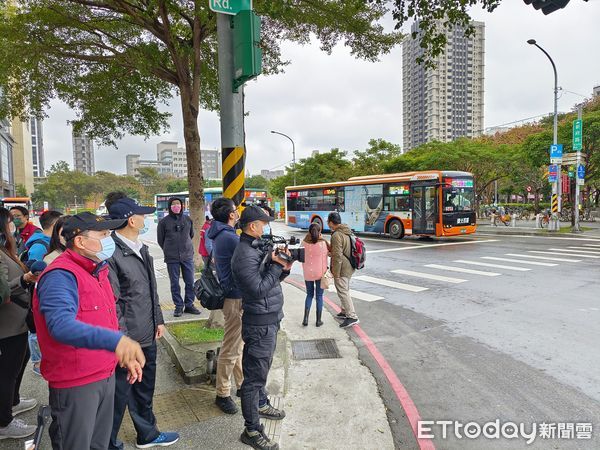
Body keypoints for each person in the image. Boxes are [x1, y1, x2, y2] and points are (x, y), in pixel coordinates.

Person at [33, 212, 147, 450]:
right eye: (103, 234)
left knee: (99, 444)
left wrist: (122, 354)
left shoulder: (98, 270)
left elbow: (106, 318)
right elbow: (60, 325)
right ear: (80, 241)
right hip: (76, 384)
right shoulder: (60, 275)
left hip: (104, 375)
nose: (109, 239)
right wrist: (117, 341)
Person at [106, 196, 179, 449]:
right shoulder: (112, 253)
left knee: (144, 388)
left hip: (147, 332)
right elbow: (113, 303)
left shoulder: (141, 247)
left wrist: (158, 319)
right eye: (142, 215)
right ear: (130, 219)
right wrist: (123, 339)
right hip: (129, 338)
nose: (146, 218)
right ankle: (106, 443)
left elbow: (151, 290)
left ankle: (147, 434)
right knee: (119, 394)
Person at [232, 205, 292, 450]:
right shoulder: (244, 254)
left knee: (261, 372)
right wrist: (276, 265)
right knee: (253, 379)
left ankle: (261, 403)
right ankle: (252, 430)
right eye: (264, 223)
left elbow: (270, 282)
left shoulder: (255, 248)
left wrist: (282, 268)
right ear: (253, 226)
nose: (266, 227)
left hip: (269, 317)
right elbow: (256, 289)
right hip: (259, 323)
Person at [0, 208, 39, 440]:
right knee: (7, 372)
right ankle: (4, 423)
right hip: (7, 325)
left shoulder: (6, 249)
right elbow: (4, 287)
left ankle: (11, 402)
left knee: (17, 365)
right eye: (8, 221)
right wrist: (23, 279)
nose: (12, 224)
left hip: (17, 320)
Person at [207, 198, 243, 415]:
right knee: (231, 348)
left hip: (232, 296)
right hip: (235, 298)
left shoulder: (219, 233)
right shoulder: (229, 237)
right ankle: (222, 393)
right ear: (231, 215)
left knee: (238, 345)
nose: (238, 213)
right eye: (236, 210)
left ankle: (242, 384)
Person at [22, 210, 62, 376]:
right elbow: (34, 274)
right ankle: (38, 362)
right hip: (36, 297)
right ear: (54, 226)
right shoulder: (40, 246)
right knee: (36, 331)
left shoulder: (48, 243)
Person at [157, 197, 199, 317]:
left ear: (182, 206)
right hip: (172, 257)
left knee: (190, 281)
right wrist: (169, 249)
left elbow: (191, 235)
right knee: (174, 283)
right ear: (170, 206)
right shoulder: (163, 222)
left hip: (187, 256)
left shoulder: (187, 220)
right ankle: (178, 306)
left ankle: (189, 305)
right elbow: (161, 240)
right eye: (174, 204)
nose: (176, 206)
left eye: (178, 204)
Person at [327, 212, 359, 328]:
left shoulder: (336, 235)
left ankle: (352, 316)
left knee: (343, 291)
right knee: (345, 289)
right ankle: (345, 311)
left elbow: (337, 256)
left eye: (328, 222)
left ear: (331, 222)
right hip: (350, 266)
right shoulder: (346, 231)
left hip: (343, 268)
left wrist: (336, 273)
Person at [301, 223, 330, 327]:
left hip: (308, 273)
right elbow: (331, 252)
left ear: (309, 231)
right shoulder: (323, 243)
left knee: (309, 295)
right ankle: (318, 320)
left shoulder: (304, 243)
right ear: (320, 232)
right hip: (320, 273)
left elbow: (300, 256)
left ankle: (305, 319)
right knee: (319, 296)